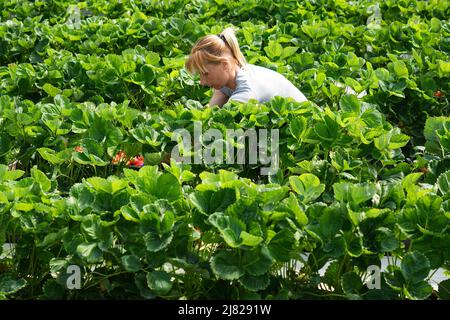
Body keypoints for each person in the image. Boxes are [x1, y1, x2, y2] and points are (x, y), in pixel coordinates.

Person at [185, 27, 308, 107]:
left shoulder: (246, 91)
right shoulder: (232, 73)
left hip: (308, 124)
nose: (202, 81)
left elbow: (218, 121)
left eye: (205, 73)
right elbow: (214, 106)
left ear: (224, 65)